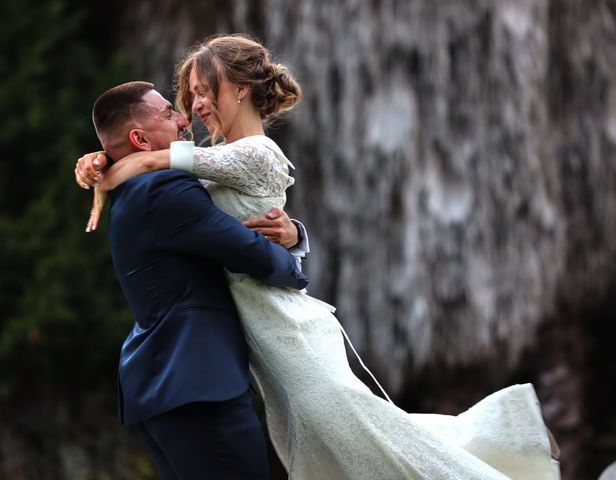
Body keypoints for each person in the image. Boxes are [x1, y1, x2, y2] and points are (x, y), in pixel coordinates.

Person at [76, 35, 560, 480]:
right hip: (248, 343)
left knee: (362, 432)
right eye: (185, 99)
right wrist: (107, 160)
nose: (190, 110)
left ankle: (496, 450)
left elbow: (174, 170)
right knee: (345, 443)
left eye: (203, 91)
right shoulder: (198, 165)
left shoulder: (247, 154)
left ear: (241, 89)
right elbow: (204, 207)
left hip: (284, 330)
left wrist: (120, 162)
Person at [88, 80, 308, 480]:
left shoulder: (132, 188)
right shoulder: (162, 187)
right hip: (196, 385)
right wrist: (293, 262)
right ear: (139, 138)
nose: (183, 116)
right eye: (167, 113)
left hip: (164, 385)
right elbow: (249, 252)